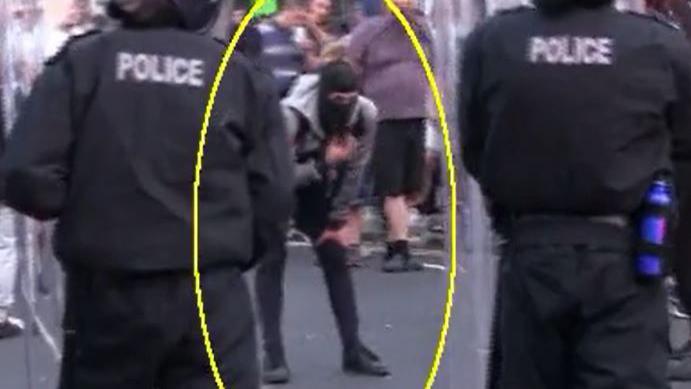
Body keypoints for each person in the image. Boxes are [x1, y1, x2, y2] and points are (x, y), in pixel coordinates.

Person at [0, 0, 292, 388]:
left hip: (108, 293)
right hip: (208, 292)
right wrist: (228, 250)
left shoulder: (82, 63)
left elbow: (26, 177)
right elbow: (273, 195)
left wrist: (87, 203)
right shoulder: (236, 74)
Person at [460, 0, 691, 387]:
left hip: (530, 250)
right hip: (626, 255)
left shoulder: (494, 41)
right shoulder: (658, 45)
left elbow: (475, 146)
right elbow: (684, 149)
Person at [257, 59, 390, 384]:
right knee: (272, 259)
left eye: (350, 99)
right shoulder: (291, 117)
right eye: (337, 101)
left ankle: (352, 350)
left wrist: (336, 219)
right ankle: (273, 354)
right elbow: (271, 175)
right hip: (283, 181)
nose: (344, 108)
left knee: (335, 258)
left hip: (320, 183)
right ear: (324, 96)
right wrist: (320, 163)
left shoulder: (365, 115)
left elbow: (355, 169)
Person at [347, 0, 434, 273]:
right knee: (392, 185)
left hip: (416, 114)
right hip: (383, 116)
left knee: (412, 186)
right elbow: (351, 67)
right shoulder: (370, 30)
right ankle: (398, 248)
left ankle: (395, 240)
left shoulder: (420, 30)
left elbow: (432, 66)